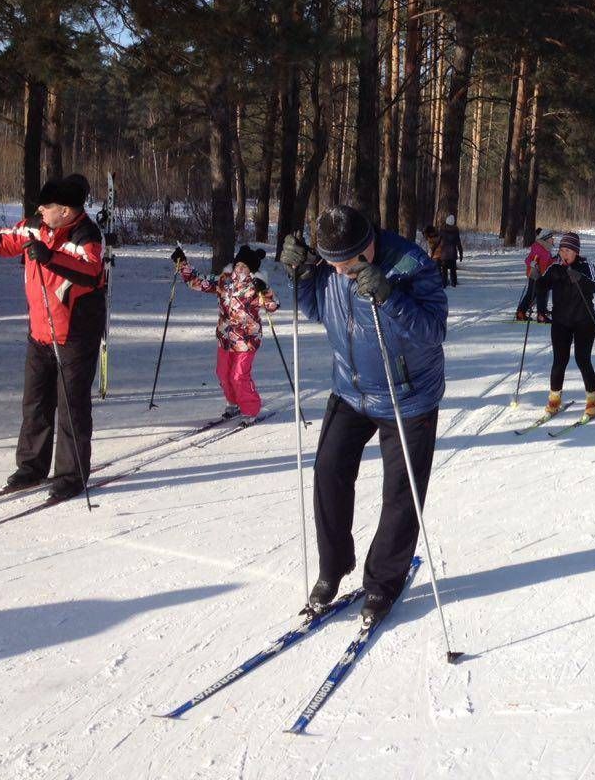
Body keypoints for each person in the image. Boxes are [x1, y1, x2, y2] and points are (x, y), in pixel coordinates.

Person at [279, 205, 448, 623]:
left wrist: (390, 298)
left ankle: (383, 582)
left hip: (408, 397)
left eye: (345, 265)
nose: (337, 273)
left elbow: (433, 330)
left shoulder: (411, 263)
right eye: (329, 264)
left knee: (400, 493)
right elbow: (318, 309)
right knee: (328, 471)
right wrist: (299, 275)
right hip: (351, 390)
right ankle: (333, 568)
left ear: (368, 245)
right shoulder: (333, 267)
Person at [0, 174, 104, 500]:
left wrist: (51, 256)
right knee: (36, 403)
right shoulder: (33, 226)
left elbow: (91, 272)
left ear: (65, 211)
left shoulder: (87, 235)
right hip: (40, 332)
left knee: (72, 406)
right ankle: (31, 467)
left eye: (47, 205)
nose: (40, 209)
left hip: (75, 335)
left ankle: (70, 475)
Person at [170, 243, 279, 421]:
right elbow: (198, 282)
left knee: (239, 375)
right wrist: (183, 264)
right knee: (222, 373)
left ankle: (250, 409)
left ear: (251, 269)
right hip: (225, 337)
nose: (240, 269)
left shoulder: (255, 285)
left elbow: (273, 305)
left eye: (244, 266)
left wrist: (264, 290)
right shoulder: (225, 280)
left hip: (247, 339)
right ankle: (233, 402)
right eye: (238, 265)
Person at [535, 231, 595, 418]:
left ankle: (592, 400)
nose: (564, 254)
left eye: (568, 250)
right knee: (559, 361)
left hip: (584, 321)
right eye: (562, 249)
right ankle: (554, 399)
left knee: (582, 359)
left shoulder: (585, 265)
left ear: (576, 252)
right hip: (561, 322)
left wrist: (580, 278)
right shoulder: (555, 267)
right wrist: (535, 277)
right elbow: (542, 286)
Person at [517, 228, 554, 322]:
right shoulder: (538, 248)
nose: (553, 240)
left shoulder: (546, 248)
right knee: (532, 294)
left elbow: (548, 262)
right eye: (551, 238)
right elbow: (527, 260)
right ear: (545, 239)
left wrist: (555, 260)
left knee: (541, 293)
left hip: (543, 275)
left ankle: (540, 314)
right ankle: (523, 313)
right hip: (535, 275)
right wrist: (532, 263)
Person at [436, 214, 463, 287]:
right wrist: (461, 254)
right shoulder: (456, 231)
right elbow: (458, 243)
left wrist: (434, 251)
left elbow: (438, 242)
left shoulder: (442, 230)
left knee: (444, 270)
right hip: (453, 254)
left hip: (444, 254)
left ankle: (444, 284)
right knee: (453, 270)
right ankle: (453, 283)